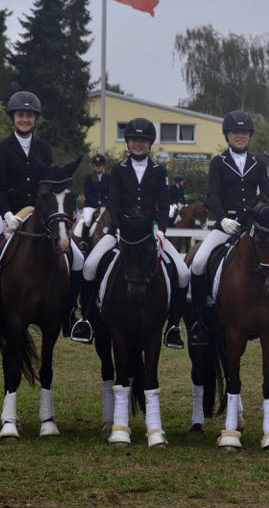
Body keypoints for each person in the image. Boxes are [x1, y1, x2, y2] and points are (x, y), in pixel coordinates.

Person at [0, 91, 85, 334]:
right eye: (21, 115)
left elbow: (52, 186)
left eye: (29, 116)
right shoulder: (3, 148)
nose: (25, 119)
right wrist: (6, 214)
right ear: (13, 117)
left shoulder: (44, 149)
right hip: (9, 215)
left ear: (35, 119)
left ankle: (70, 310)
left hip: (40, 216)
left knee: (78, 258)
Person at [188, 110, 269, 347]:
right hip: (226, 225)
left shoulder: (258, 164)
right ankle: (200, 319)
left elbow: (267, 193)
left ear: (249, 136)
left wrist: (259, 216)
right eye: (235, 132)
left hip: (255, 227)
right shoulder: (218, 163)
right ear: (227, 135)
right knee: (198, 263)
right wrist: (221, 219)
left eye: (244, 133)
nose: (239, 136)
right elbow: (212, 193)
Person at [71, 118, 189, 348]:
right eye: (134, 140)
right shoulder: (118, 170)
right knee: (89, 265)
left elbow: (164, 205)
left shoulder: (159, 171)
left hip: (150, 233)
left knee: (183, 272)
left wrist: (161, 230)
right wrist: (117, 227)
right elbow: (113, 202)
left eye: (143, 141)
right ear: (128, 143)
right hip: (120, 232)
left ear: (149, 144)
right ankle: (85, 319)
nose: (138, 144)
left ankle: (173, 326)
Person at [81, 154, 109, 236]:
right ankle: (84, 241)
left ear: (103, 166)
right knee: (88, 221)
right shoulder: (88, 178)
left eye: (100, 165)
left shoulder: (108, 177)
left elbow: (110, 193)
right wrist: (99, 205)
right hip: (90, 205)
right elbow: (87, 194)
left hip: (105, 206)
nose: (98, 167)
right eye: (96, 165)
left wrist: (106, 205)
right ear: (93, 166)